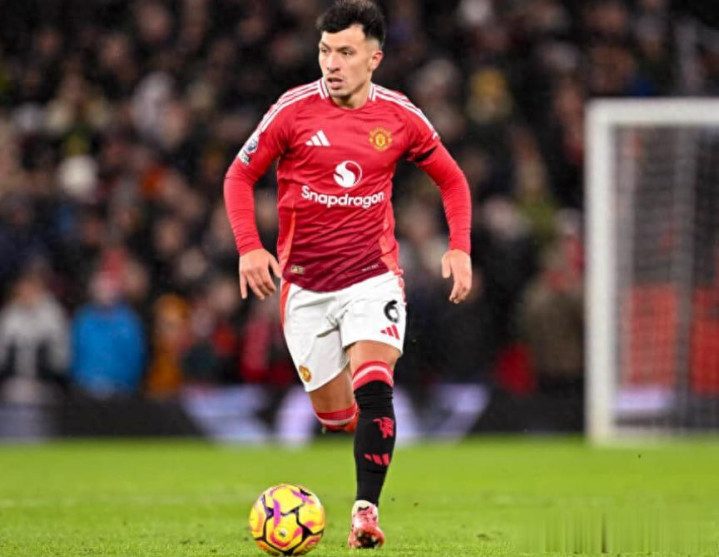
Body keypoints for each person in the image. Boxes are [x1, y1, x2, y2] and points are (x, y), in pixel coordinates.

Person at [224, 0, 472, 549]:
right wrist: (249, 248)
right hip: (306, 288)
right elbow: (238, 177)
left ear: (373, 59)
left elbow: (452, 180)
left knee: (375, 384)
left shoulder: (400, 116)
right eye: (324, 51)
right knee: (337, 417)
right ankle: (367, 428)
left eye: (345, 52)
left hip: (372, 277)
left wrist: (459, 248)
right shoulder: (292, 111)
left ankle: (366, 513)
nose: (331, 63)